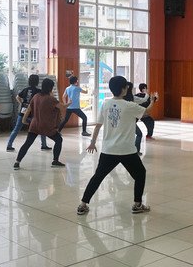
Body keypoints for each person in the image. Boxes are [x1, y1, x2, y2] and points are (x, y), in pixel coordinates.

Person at [77, 76, 157, 215]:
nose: (127, 89)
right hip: (126, 151)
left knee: (97, 177)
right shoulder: (129, 105)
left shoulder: (106, 104)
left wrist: (92, 142)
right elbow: (147, 112)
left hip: (108, 150)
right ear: (123, 89)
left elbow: (98, 125)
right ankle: (137, 204)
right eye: (126, 87)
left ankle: (83, 204)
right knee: (140, 174)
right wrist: (153, 100)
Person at [14, 78, 70, 170]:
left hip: (34, 124)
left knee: (27, 143)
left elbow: (28, 109)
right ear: (51, 88)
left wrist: (24, 120)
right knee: (59, 140)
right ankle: (55, 160)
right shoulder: (51, 99)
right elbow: (62, 107)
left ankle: (17, 162)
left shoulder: (36, 96)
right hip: (46, 126)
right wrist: (69, 103)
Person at [6, 74, 51, 152]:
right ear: (37, 81)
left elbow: (17, 97)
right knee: (41, 128)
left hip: (23, 111)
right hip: (33, 113)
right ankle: (43, 145)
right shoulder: (38, 91)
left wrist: (22, 103)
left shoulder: (25, 89)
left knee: (16, 129)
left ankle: (9, 146)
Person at [123, 82, 144, 155]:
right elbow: (143, 101)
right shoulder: (132, 98)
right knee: (139, 134)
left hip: (123, 121)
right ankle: (136, 151)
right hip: (130, 121)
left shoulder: (121, 99)